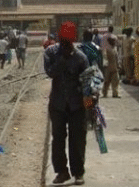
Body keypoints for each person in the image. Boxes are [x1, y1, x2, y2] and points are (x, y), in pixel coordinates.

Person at [44, 22, 90, 186]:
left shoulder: (81, 57)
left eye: (68, 42)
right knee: (58, 139)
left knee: (77, 140)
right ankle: (62, 172)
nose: (66, 45)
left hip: (77, 105)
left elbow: (87, 81)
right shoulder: (50, 53)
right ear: (59, 38)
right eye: (64, 41)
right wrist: (62, 60)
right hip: (57, 104)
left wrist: (90, 101)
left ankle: (78, 172)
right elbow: (50, 72)